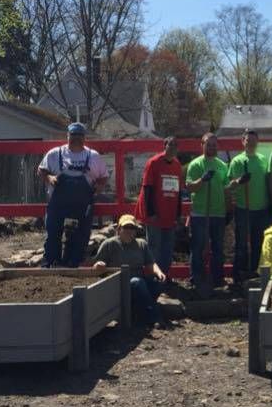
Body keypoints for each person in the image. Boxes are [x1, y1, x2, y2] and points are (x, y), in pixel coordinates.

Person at [38, 122, 109, 268]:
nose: (76, 138)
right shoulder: (55, 153)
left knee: (81, 235)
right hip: (58, 204)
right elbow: (41, 170)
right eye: (73, 135)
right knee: (53, 233)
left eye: (79, 135)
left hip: (82, 205)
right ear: (67, 136)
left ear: (84, 137)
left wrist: (99, 186)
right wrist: (49, 178)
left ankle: (75, 266)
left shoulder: (93, 156)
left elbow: (103, 176)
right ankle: (51, 265)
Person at [92, 215, 166, 325]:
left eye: (132, 228)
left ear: (135, 230)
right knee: (137, 283)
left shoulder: (141, 244)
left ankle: (138, 311)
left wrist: (159, 273)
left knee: (159, 283)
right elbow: (96, 266)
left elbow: (150, 263)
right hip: (117, 284)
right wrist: (99, 265)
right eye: (125, 227)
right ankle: (153, 316)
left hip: (139, 282)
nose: (129, 231)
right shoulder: (109, 244)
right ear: (119, 229)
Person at [185, 133, 229, 293]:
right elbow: (190, 187)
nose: (211, 147)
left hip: (218, 212)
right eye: (208, 144)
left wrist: (237, 184)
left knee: (218, 248)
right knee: (198, 247)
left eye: (214, 145)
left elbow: (226, 188)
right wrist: (202, 180)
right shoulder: (196, 164)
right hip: (200, 213)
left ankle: (218, 279)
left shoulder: (222, 165)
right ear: (202, 145)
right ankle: (196, 279)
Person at [134, 136, 183, 277]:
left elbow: (178, 191)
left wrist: (178, 214)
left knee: (168, 248)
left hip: (170, 214)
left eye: (175, 145)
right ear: (164, 146)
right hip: (155, 214)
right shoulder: (153, 162)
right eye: (170, 145)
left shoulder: (177, 165)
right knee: (154, 247)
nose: (173, 148)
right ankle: (152, 278)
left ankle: (164, 276)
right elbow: (147, 188)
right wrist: (150, 212)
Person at [227, 129, 269, 284]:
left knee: (258, 243)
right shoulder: (237, 161)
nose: (251, 143)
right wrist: (239, 181)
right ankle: (238, 275)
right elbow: (230, 185)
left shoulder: (263, 160)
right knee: (242, 244)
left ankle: (255, 274)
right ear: (243, 141)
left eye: (253, 140)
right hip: (244, 208)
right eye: (248, 140)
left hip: (261, 208)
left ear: (257, 142)